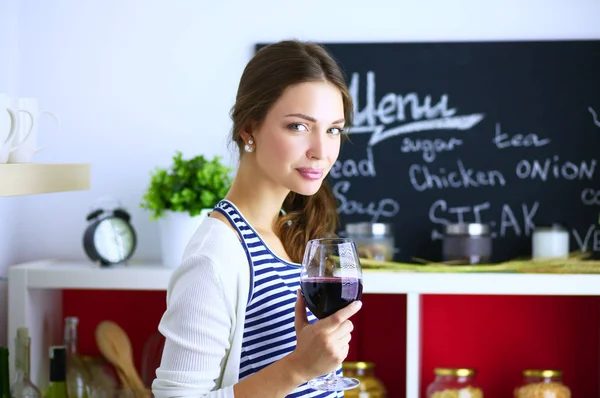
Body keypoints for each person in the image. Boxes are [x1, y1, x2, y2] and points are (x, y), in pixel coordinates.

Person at [151, 39, 362, 398]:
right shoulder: (215, 257)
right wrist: (298, 368)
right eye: (298, 126)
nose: (322, 151)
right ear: (249, 129)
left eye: (333, 130)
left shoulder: (291, 232)